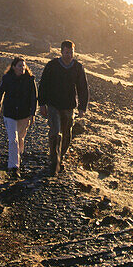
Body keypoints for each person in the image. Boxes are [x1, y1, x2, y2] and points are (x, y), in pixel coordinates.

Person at [38, 40, 89, 176]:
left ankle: (61, 157)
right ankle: (54, 161)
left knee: (67, 134)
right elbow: (43, 85)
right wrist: (42, 104)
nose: (69, 55)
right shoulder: (52, 65)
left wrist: (82, 107)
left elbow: (83, 88)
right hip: (53, 105)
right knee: (55, 132)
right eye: (66, 52)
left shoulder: (78, 67)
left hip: (69, 107)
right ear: (61, 52)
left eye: (71, 52)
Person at [0, 56, 37, 179]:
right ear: (14, 67)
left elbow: (34, 98)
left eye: (23, 65)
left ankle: (18, 156)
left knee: (21, 139)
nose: (22, 68)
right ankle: (14, 167)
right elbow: (0, 92)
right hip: (10, 114)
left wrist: (32, 114)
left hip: (24, 115)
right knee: (13, 139)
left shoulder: (30, 80)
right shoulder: (7, 78)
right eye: (19, 65)